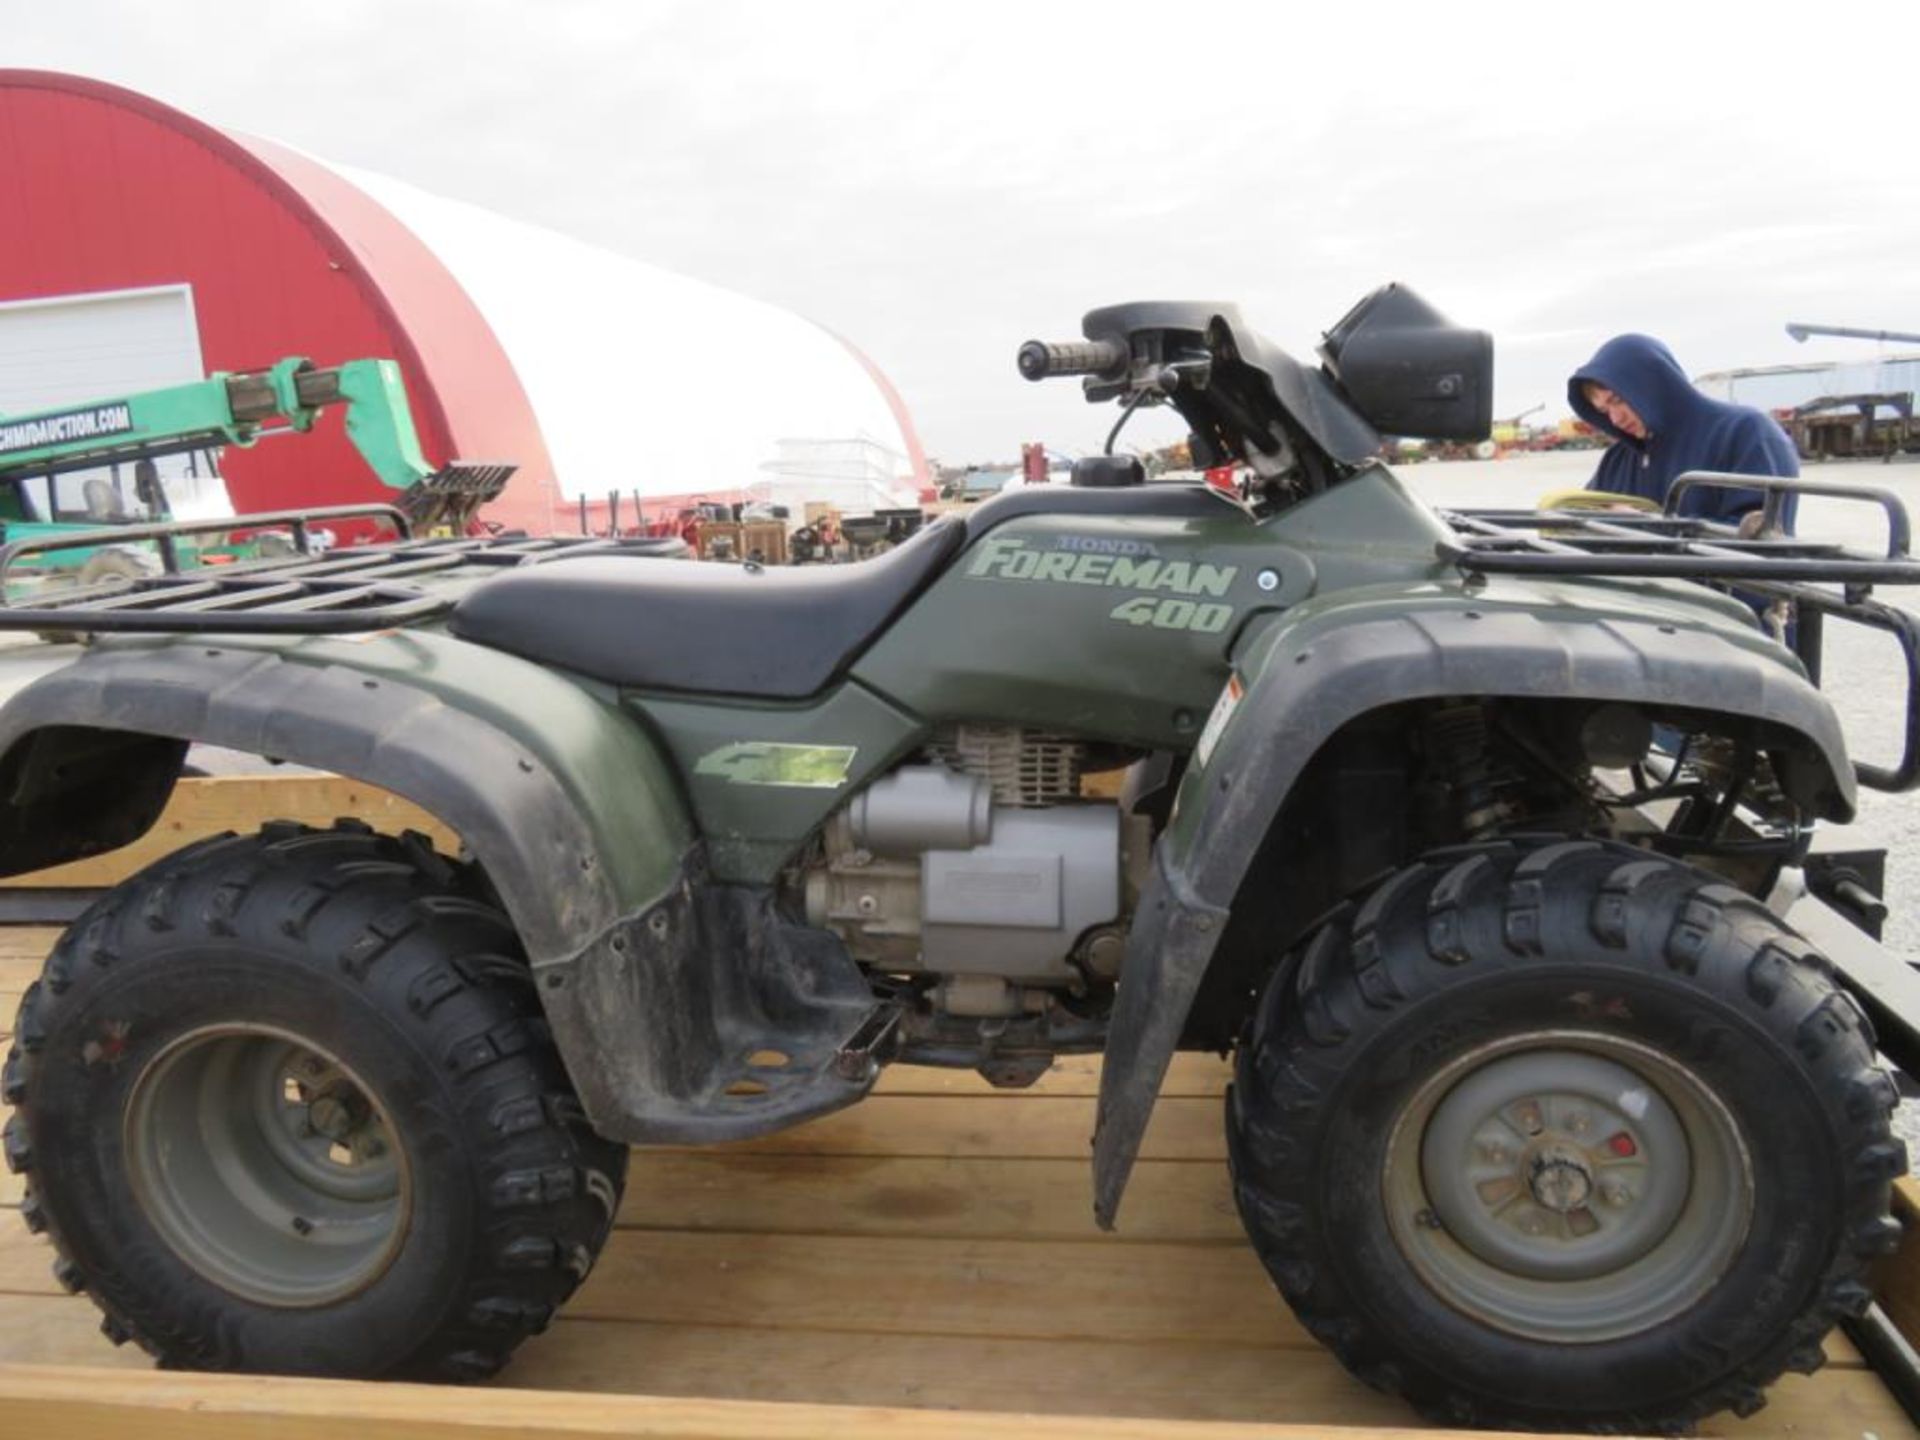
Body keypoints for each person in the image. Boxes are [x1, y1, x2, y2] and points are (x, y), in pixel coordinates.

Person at [1568, 334, 1798, 531]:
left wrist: (1647, 526)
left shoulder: (1746, 433)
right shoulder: (1617, 459)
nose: (1615, 419)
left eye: (1617, 399)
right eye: (1603, 410)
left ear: (1654, 383)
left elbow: (1760, 543)